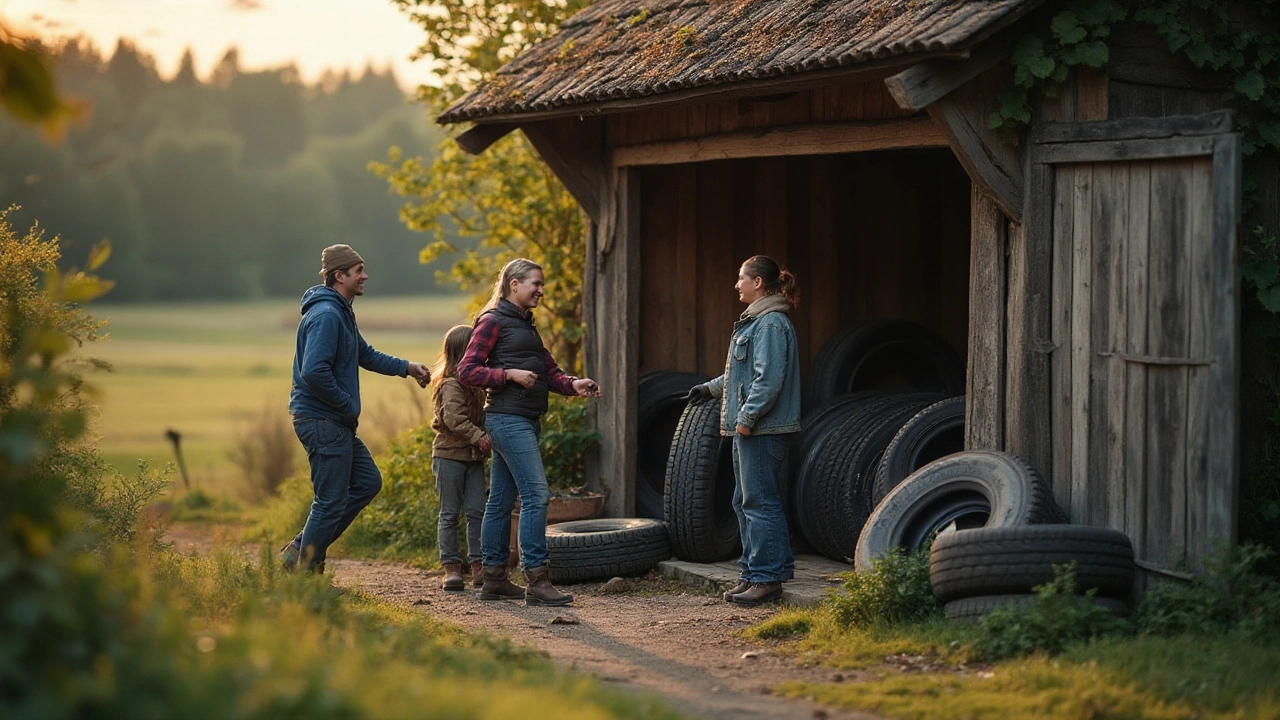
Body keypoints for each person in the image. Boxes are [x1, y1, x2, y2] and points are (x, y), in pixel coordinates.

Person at [457, 258, 602, 606]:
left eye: (541, 283)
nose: (541, 289)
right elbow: (466, 370)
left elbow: (548, 370)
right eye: (535, 283)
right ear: (513, 284)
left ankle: (493, 578)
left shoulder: (525, 325)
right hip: (508, 419)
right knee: (537, 495)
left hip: (523, 418)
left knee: (501, 501)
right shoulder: (492, 321)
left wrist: (573, 384)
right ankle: (537, 579)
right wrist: (507, 375)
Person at [281, 244, 432, 573]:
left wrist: (406, 367)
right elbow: (313, 371)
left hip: (333, 421)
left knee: (367, 482)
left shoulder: (340, 311)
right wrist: (345, 403)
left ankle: (300, 549)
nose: (365, 276)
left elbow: (364, 353)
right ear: (340, 275)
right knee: (330, 501)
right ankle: (303, 571)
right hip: (324, 420)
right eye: (358, 270)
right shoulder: (326, 315)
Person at [683, 255, 801, 606]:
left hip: (763, 430)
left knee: (760, 502)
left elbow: (768, 380)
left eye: (741, 278)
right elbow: (743, 373)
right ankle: (752, 574)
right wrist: (709, 388)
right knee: (744, 501)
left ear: (758, 283)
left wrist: (747, 419)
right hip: (749, 430)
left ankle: (768, 578)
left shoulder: (770, 324)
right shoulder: (755, 323)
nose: (736, 285)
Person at [429, 324, 491, 591]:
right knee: (450, 513)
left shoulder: (478, 386)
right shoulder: (451, 385)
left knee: (477, 511)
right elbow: (454, 418)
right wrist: (479, 436)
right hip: (449, 457)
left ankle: (478, 566)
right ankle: (452, 568)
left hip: (474, 459)